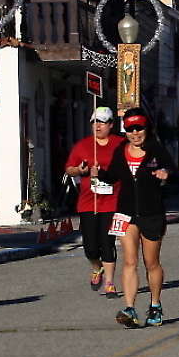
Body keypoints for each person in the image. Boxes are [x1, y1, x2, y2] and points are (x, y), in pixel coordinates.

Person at [92, 108, 177, 328]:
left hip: (151, 213)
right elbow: (112, 177)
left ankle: (155, 305)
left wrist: (166, 174)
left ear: (146, 128)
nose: (135, 133)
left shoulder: (156, 150)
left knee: (151, 262)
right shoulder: (120, 150)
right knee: (129, 260)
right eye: (130, 129)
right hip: (126, 212)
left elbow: (174, 171)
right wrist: (98, 173)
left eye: (139, 128)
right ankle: (130, 309)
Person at [65, 107, 124, 298]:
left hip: (112, 200)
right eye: (94, 122)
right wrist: (80, 170)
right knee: (90, 246)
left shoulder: (120, 144)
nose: (98, 126)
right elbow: (69, 169)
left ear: (111, 125)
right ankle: (97, 267)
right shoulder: (83, 145)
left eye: (102, 122)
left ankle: (110, 283)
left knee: (107, 242)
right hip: (89, 201)